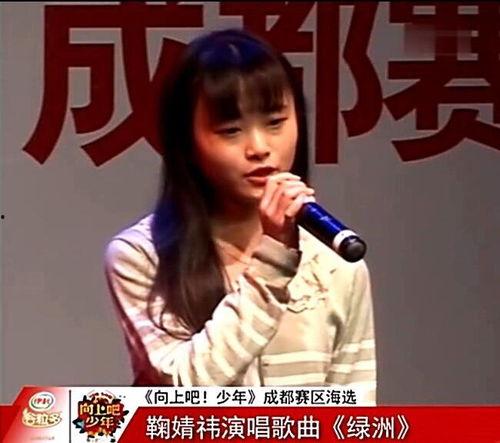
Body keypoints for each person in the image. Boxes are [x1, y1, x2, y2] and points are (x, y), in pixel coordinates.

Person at [104, 28, 376, 404]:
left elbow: (354, 409)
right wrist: (273, 259)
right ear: (187, 142)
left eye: (275, 122)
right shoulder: (140, 255)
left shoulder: (334, 262)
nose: (259, 148)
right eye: (231, 130)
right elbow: (183, 390)